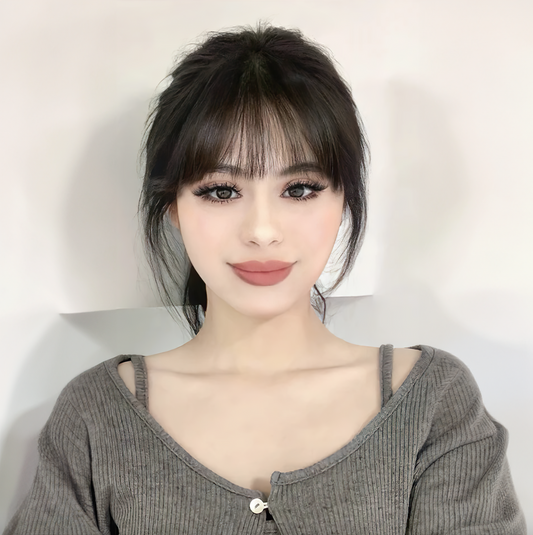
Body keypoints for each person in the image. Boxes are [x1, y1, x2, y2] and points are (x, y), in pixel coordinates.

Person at [4, 22, 526, 534]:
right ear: (173, 206)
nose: (262, 231)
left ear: (343, 199)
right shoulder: (96, 418)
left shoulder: (432, 403)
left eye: (299, 189)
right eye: (221, 191)